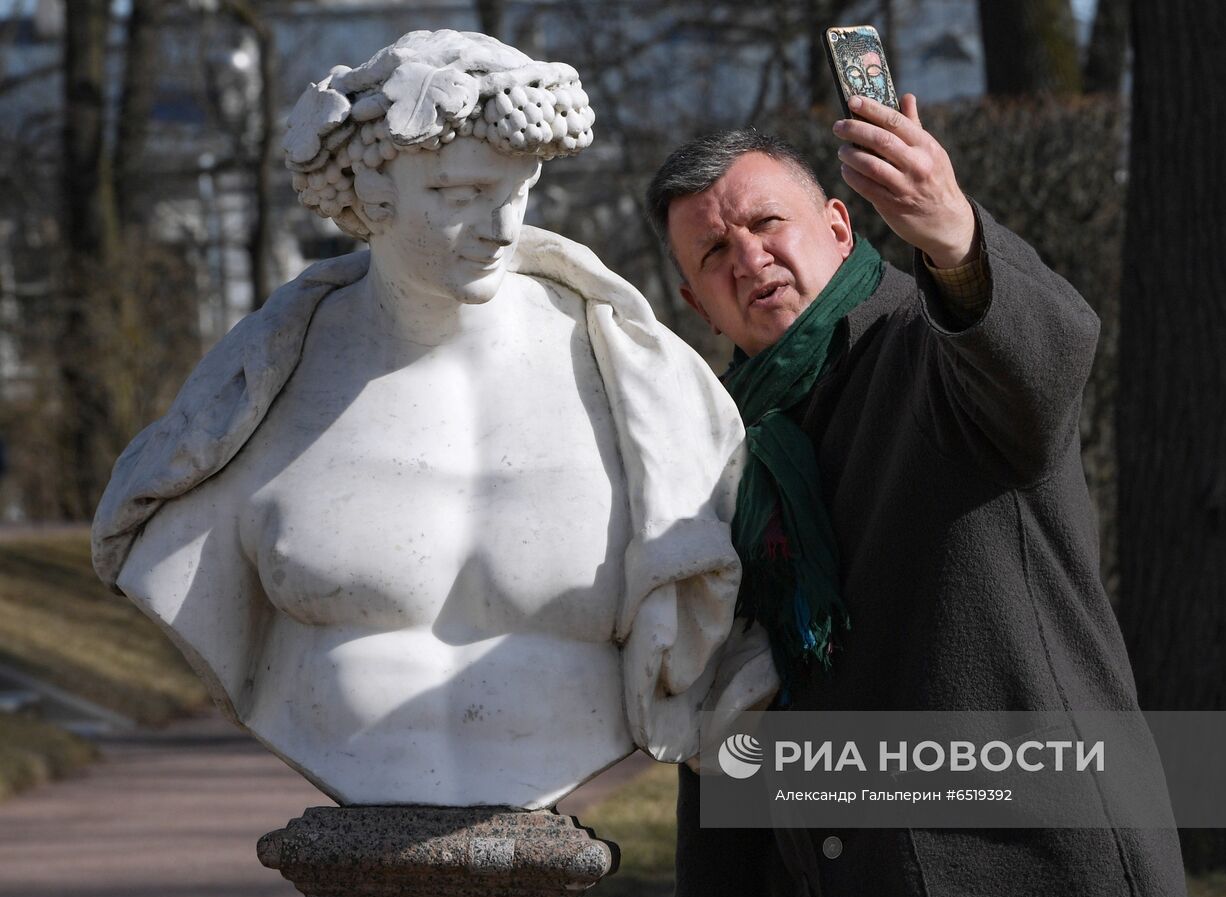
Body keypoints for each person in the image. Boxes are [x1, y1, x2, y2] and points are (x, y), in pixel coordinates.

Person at [91, 30, 776, 810]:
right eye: (457, 197)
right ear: (369, 195)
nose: (500, 229)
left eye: (517, 192)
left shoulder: (641, 386)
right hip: (337, 765)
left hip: (558, 782)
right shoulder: (258, 395)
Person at [646, 94, 1201, 897]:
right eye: (716, 249)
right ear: (697, 304)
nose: (750, 256)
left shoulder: (935, 342)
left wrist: (954, 237)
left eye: (768, 222)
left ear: (840, 226)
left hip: (1052, 896)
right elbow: (724, 725)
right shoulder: (723, 462)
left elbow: (1046, 358)